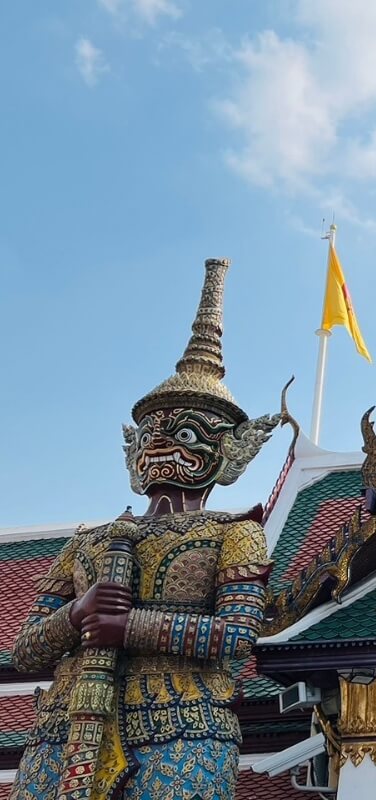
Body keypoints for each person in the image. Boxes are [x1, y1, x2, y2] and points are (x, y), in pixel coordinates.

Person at [11, 259, 281, 800]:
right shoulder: (86, 543)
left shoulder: (236, 534)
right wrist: (79, 613)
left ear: (228, 451)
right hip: (64, 731)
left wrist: (128, 626)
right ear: (135, 449)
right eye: (153, 432)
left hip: (180, 727)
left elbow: (236, 636)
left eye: (185, 431)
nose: (162, 445)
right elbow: (25, 650)